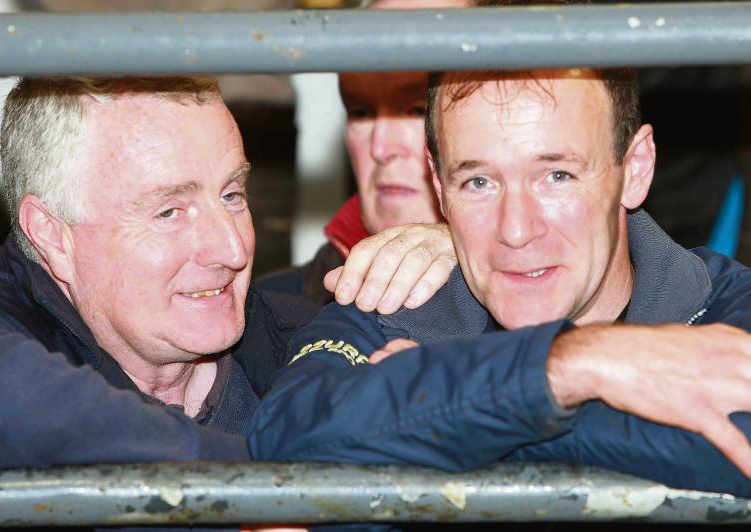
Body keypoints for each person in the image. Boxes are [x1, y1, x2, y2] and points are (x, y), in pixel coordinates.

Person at [249, 66, 751, 496]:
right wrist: (571, 365)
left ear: (635, 168)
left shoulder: (729, 307)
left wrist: (447, 411)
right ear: (438, 185)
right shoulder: (393, 303)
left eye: (557, 176)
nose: (516, 230)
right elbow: (289, 441)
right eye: (478, 182)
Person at [0, 76, 455, 470]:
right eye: (169, 212)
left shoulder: (303, 335)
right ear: (51, 235)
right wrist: (280, 488)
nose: (232, 249)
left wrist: (467, 261)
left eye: (232, 195)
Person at [257, 0, 468, 314]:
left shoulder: (544, 291)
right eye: (360, 111)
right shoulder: (267, 309)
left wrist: (476, 253)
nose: (381, 148)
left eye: (417, 110)